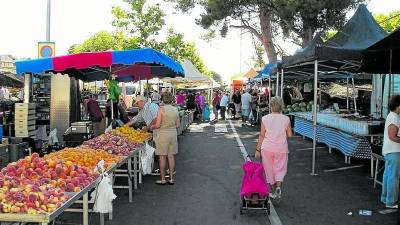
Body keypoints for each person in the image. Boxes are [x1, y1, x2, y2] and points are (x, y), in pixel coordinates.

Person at [255, 96, 292, 202]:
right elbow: (289, 135)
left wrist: (257, 150)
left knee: (269, 170)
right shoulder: (286, 119)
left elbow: (262, 135)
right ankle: (279, 188)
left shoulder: (265, 118)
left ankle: (274, 191)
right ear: (281, 106)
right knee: (280, 169)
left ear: (271, 106)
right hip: (281, 148)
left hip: (267, 148)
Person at [151, 92, 180, 185]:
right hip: (173, 134)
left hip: (162, 135)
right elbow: (178, 125)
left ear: (162, 99)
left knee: (162, 157)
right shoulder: (175, 109)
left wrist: (152, 126)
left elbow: (158, 125)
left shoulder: (161, 109)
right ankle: (171, 178)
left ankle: (163, 179)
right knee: (171, 157)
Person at [381, 95, 400, 209]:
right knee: (393, 177)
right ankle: (391, 202)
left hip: (390, 151)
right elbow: (393, 136)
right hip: (394, 151)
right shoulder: (394, 117)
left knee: (388, 175)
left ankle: (385, 198)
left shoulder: (393, 116)